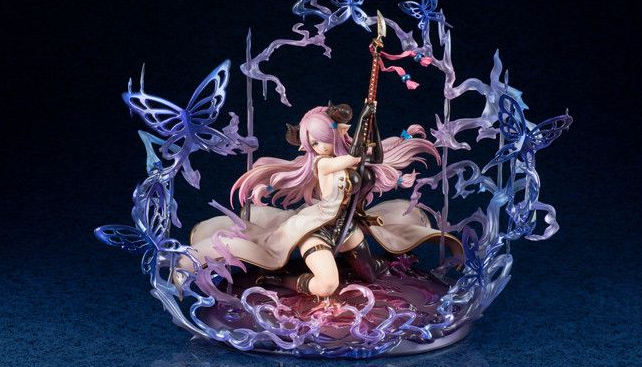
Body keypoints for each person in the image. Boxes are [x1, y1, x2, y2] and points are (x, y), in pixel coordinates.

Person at [175, 103, 462, 297]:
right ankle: (278, 280)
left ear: (334, 134)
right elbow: (357, 157)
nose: (316, 147)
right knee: (326, 286)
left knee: (371, 275)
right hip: (317, 230)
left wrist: (369, 120)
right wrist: (363, 122)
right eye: (311, 143)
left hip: (346, 228)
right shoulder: (323, 163)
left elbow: (372, 156)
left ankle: (391, 263)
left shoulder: (345, 155)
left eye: (319, 140)